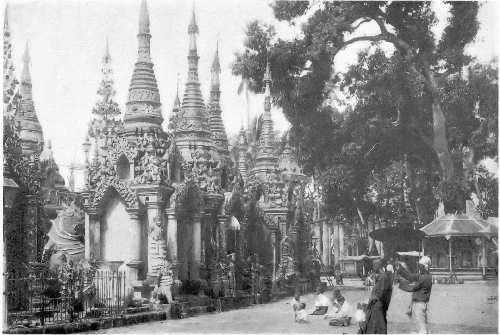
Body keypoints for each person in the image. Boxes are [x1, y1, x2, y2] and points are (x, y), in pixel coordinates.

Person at [398, 256, 433, 334]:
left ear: (425, 267)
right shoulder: (425, 276)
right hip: (420, 305)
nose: (419, 267)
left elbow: (412, 288)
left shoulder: (424, 278)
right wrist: (399, 268)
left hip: (419, 306)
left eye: (420, 266)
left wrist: (400, 284)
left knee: (422, 330)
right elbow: (409, 276)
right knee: (421, 328)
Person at [359, 259, 393, 334]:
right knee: (374, 327)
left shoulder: (383, 277)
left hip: (377, 305)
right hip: (375, 305)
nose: (373, 267)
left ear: (378, 265)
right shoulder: (381, 276)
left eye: (374, 265)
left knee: (378, 327)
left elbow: (380, 294)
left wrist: (369, 302)